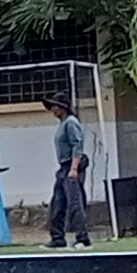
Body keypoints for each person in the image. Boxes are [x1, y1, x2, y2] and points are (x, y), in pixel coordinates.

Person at [46, 100, 96, 248]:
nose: (53, 109)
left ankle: (82, 237)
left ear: (63, 107)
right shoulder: (63, 124)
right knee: (57, 204)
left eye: (55, 106)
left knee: (75, 203)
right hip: (63, 167)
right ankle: (57, 237)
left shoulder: (71, 122)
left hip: (71, 165)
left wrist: (74, 168)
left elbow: (77, 145)